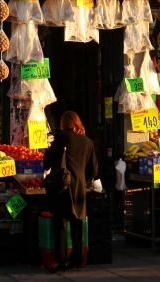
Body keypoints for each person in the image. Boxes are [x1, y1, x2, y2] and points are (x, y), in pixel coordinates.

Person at [42, 111, 98, 271]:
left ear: (64, 124)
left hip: (62, 187)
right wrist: (83, 179)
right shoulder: (88, 142)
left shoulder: (61, 139)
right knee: (78, 223)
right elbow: (94, 170)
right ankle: (78, 259)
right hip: (79, 187)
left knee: (61, 223)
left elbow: (47, 162)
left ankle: (61, 259)